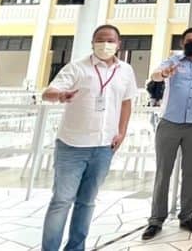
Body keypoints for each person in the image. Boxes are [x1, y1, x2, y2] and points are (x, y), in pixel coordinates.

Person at [40, 25, 137, 251]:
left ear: (119, 44)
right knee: (61, 201)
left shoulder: (125, 71)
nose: (105, 44)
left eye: (110, 40)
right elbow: (48, 92)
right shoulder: (77, 67)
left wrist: (122, 132)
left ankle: (76, 247)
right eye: (100, 40)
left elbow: (126, 102)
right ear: (92, 43)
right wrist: (60, 95)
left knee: (87, 202)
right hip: (72, 146)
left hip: (104, 147)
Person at [142, 27, 192, 240]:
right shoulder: (172, 61)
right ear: (182, 42)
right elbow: (155, 74)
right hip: (169, 123)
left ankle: (186, 216)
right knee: (163, 172)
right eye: (189, 40)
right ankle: (156, 220)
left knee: (191, 172)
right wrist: (164, 74)